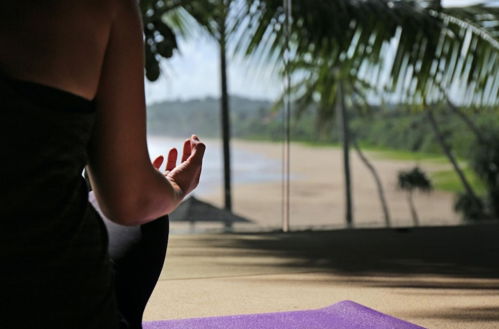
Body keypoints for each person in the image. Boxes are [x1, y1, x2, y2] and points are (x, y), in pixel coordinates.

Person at [0, 1, 205, 328]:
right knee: (150, 220)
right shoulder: (106, 6)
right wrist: (177, 186)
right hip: (57, 305)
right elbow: (132, 201)